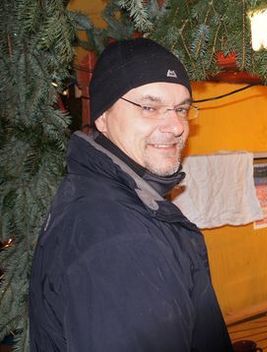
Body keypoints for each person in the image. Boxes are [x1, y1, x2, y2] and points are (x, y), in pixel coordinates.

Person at [29, 38, 233, 351]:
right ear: (102, 117)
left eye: (181, 109)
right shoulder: (119, 239)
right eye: (149, 107)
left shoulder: (105, 197)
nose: (176, 126)